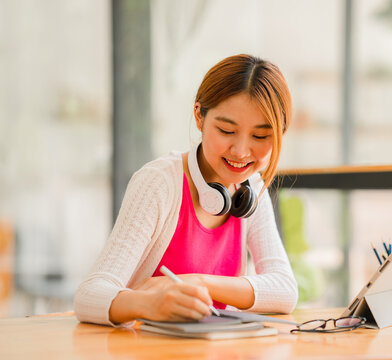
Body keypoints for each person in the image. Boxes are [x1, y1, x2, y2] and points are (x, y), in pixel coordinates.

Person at [74, 54, 298, 326]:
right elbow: (89, 296)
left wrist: (197, 282)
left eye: (261, 136)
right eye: (226, 130)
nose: (241, 152)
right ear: (199, 116)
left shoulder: (251, 190)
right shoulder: (158, 183)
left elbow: (285, 290)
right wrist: (148, 303)